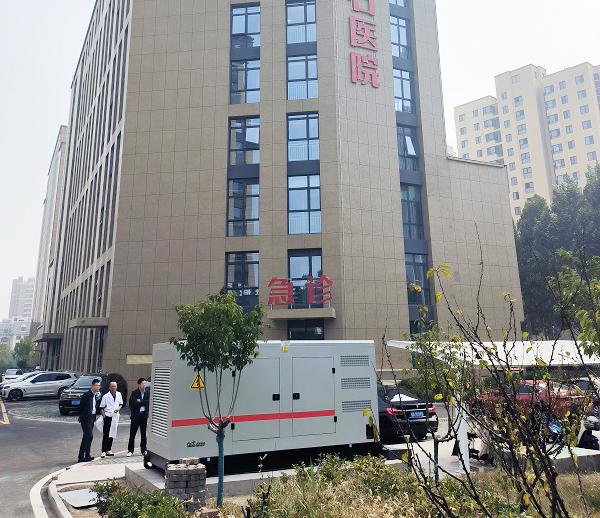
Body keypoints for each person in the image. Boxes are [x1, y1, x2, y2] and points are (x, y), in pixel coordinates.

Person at [78, 379, 101, 463]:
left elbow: (94, 407)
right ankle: (87, 455)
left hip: (91, 418)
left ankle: (81, 457)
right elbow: (80, 406)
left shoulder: (94, 395)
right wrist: (82, 416)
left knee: (85, 437)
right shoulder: (87, 395)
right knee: (89, 436)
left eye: (99, 385)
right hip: (85, 419)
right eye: (97, 385)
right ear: (92, 385)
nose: (98, 387)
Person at [99, 381, 123, 458]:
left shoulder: (119, 394)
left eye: (115, 386)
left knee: (112, 433)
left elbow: (121, 403)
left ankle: (109, 449)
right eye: (112, 386)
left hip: (115, 416)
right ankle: (103, 450)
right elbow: (101, 407)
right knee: (106, 433)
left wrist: (118, 408)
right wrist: (104, 416)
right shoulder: (106, 396)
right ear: (109, 387)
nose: (114, 388)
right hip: (108, 415)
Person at [127, 378, 150, 457]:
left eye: (145, 384)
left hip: (144, 416)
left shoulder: (147, 393)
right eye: (143, 383)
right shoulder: (134, 393)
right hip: (135, 416)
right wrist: (143, 402)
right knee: (132, 434)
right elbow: (133, 403)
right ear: (139, 384)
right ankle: (130, 450)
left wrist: (140, 402)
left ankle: (143, 450)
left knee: (143, 434)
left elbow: (149, 402)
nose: (144, 385)